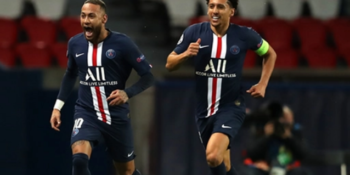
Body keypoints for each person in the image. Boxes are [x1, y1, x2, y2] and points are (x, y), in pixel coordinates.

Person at [165, 0, 277, 174]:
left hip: (231, 107)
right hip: (204, 110)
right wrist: (186, 54)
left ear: (232, 11)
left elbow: (270, 54)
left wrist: (263, 84)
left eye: (220, 7)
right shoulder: (194, 32)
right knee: (224, 165)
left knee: (213, 156)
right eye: (211, 6)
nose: (215, 11)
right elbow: (170, 64)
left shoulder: (244, 35)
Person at [49, 0, 154, 175]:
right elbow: (70, 74)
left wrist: (127, 93)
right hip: (87, 112)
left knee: (127, 171)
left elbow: (148, 77)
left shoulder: (123, 43)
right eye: (83, 16)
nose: (86, 21)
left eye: (91, 16)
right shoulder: (75, 43)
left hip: (116, 116)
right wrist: (57, 107)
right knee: (79, 160)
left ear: (104, 18)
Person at [242, 105, 311, 175]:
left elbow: (304, 155)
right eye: (280, 121)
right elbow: (251, 154)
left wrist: (288, 137)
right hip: (265, 169)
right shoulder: (260, 131)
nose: (281, 125)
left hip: (289, 169)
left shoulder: (295, 132)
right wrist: (267, 136)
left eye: (286, 122)